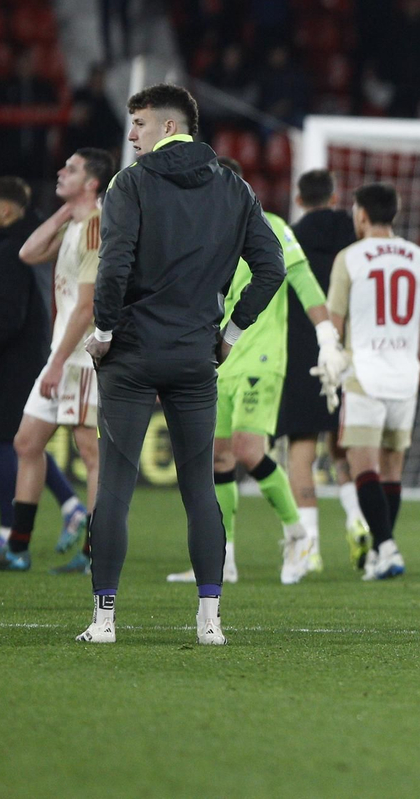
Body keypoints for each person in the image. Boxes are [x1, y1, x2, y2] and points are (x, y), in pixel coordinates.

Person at [78, 83, 286, 646]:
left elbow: (114, 265)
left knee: (115, 486)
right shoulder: (234, 187)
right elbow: (271, 267)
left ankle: (104, 621)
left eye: (139, 124)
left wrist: (102, 332)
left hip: (132, 353)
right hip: (196, 356)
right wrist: (231, 334)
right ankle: (210, 620)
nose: (131, 136)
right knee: (201, 488)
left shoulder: (132, 183)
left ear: (168, 127)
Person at [165, 157, 345, 586]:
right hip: (217, 359)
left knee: (248, 447)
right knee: (218, 456)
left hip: (262, 359)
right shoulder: (204, 229)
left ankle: (298, 535)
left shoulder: (275, 227)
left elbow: (302, 282)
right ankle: (221, 557)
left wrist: (326, 337)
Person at [0, 151, 114, 576]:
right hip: (62, 354)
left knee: (90, 453)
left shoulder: (95, 228)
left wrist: (57, 363)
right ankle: (18, 548)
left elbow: (86, 306)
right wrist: (65, 211)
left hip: (82, 356)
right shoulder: (75, 221)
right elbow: (29, 254)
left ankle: (94, 552)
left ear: (91, 182)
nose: (59, 172)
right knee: (27, 442)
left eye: (70, 170)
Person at [326, 182, 420, 581]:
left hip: (363, 374)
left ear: (362, 215)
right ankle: (380, 554)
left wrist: (328, 367)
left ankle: (385, 548)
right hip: (407, 376)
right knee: (391, 471)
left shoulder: (349, 258)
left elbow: (334, 324)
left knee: (361, 464)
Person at [0, 179, 85, 564]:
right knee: (26, 443)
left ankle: (8, 533)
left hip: (12, 359)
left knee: (4, 442)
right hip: (31, 353)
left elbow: (6, 318)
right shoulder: (27, 239)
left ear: (7, 210)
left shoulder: (15, 250)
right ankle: (70, 508)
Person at [276, 169, 366, 572]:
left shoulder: (288, 239)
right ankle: (358, 518)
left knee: (302, 445)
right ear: (334, 198)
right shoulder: (357, 242)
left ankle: (308, 543)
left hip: (301, 352)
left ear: (299, 198)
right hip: (350, 350)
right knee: (342, 441)